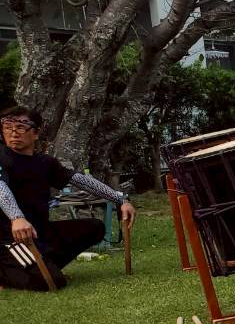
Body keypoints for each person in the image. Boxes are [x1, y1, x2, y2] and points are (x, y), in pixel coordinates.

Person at [0, 105, 136, 291]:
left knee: (95, 227)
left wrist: (120, 199)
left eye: (21, 127)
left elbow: (81, 181)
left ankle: (44, 266)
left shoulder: (45, 163)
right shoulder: (2, 156)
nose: (13, 133)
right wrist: (17, 217)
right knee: (52, 282)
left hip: (41, 233)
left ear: (36, 133)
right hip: (11, 238)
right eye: (8, 127)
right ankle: (8, 273)